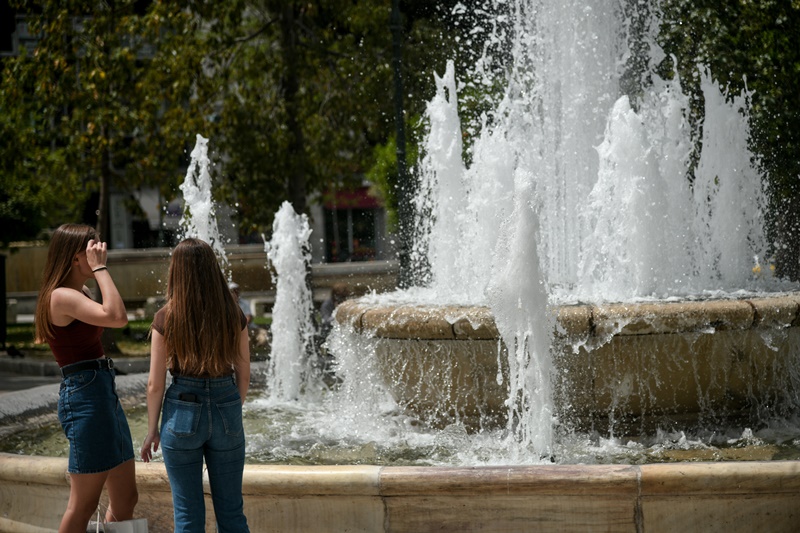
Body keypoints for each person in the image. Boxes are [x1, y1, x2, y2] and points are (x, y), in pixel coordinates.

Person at [140, 238, 251, 533]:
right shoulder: (233, 313)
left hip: (182, 410)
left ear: (177, 271)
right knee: (232, 512)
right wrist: (230, 406)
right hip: (226, 402)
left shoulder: (166, 317)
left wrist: (152, 430)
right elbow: (244, 370)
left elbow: (155, 384)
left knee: (188, 515)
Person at [33, 223, 138, 532]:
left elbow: (110, 311)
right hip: (85, 397)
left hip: (102, 391)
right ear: (73, 257)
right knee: (83, 505)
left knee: (126, 499)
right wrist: (101, 267)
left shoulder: (81, 292)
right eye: (90, 249)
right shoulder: (60, 297)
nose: (97, 252)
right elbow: (118, 317)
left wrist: (97, 270)